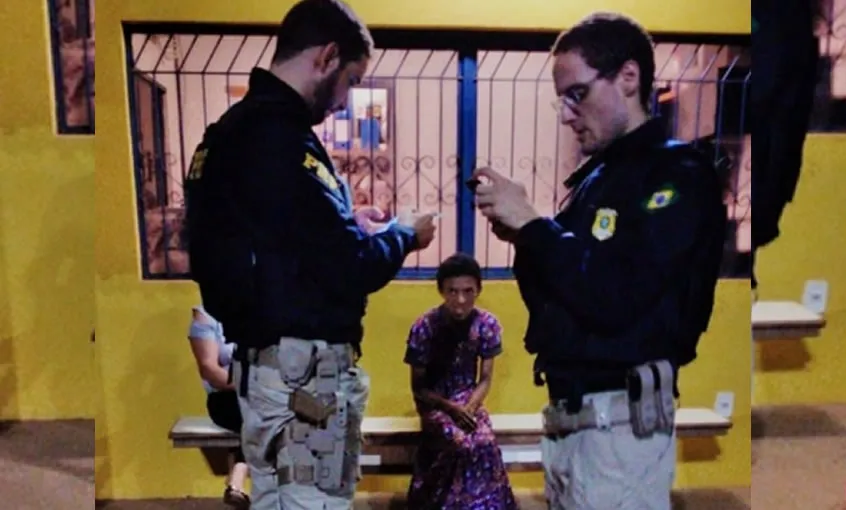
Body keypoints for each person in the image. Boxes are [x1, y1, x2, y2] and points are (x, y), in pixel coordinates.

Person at [181, 0, 438, 508]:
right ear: (326, 57)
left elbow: (274, 241)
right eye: (351, 80)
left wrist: (349, 224)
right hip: (303, 382)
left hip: (262, 375)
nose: (344, 100)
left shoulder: (227, 133)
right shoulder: (282, 141)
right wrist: (405, 234)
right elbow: (351, 268)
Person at [471, 12, 727, 510]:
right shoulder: (599, 179)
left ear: (628, 77)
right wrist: (526, 237)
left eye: (578, 94)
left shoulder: (675, 174)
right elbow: (558, 299)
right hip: (574, 421)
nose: (567, 114)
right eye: (562, 99)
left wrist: (535, 227)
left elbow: (616, 296)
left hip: (620, 426)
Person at [403, 253, 518, 510]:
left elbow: (485, 379)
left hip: (470, 401)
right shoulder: (424, 327)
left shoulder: (487, 324)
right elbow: (419, 388)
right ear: (442, 291)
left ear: (478, 290)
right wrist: (451, 409)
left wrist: (470, 407)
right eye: (453, 291)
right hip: (436, 403)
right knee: (459, 443)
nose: (461, 299)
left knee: (485, 441)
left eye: (468, 291)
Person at [186, 305, 250, 509]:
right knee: (257, 415)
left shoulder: (260, 308)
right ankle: (237, 477)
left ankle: (235, 483)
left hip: (261, 395)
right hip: (226, 397)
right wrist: (252, 386)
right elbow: (209, 370)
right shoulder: (205, 317)